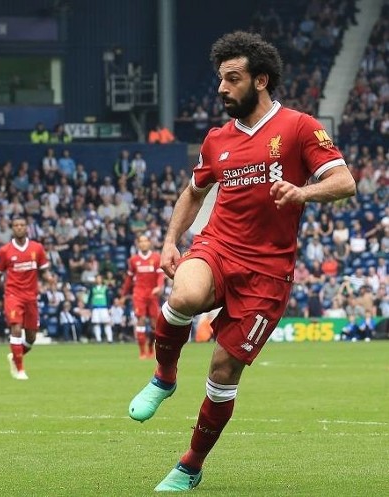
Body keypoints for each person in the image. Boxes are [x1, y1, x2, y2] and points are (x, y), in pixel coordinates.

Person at [127, 31, 355, 491]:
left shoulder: (298, 127)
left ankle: (190, 465)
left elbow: (345, 182)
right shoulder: (216, 140)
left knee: (222, 372)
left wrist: (302, 190)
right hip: (219, 245)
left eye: (233, 79)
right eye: (220, 79)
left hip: (268, 272)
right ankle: (164, 376)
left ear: (261, 80)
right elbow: (194, 192)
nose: (222, 89)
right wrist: (172, 241)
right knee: (185, 294)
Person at [0, 217, 51, 380]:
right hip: (13, 295)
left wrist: (50, 279)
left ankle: (15, 356)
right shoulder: (5, 251)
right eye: (16, 225)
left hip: (31, 296)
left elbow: (44, 271)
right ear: (12, 228)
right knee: (16, 328)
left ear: (27, 228)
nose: (19, 227)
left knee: (31, 337)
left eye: (22, 225)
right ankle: (20, 370)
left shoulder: (37, 248)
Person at [120, 235, 165, 359]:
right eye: (141, 241)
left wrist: (159, 286)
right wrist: (123, 295)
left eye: (146, 241)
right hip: (139, 294)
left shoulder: (156, 257)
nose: (144, 243)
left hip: (152, 294)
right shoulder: (133, 260)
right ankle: (142, 352)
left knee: (154, 324)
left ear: (149, 243)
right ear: (138, 244)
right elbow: (129, 279)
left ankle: (150, 347)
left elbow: (160, 275)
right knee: (140, 320)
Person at [87, 274, 113, 343]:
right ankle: (98, 339)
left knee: (107, 323)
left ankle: (109, 339)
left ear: (102, 279)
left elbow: (108, 298)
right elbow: (90, 299)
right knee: (96, 323)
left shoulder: (105, 288)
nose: (98, 280)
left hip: (104, 308)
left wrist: (109, 308)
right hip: (95, 308)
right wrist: (90, 308)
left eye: (99, 278)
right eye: (97, 278)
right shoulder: (92, 288)